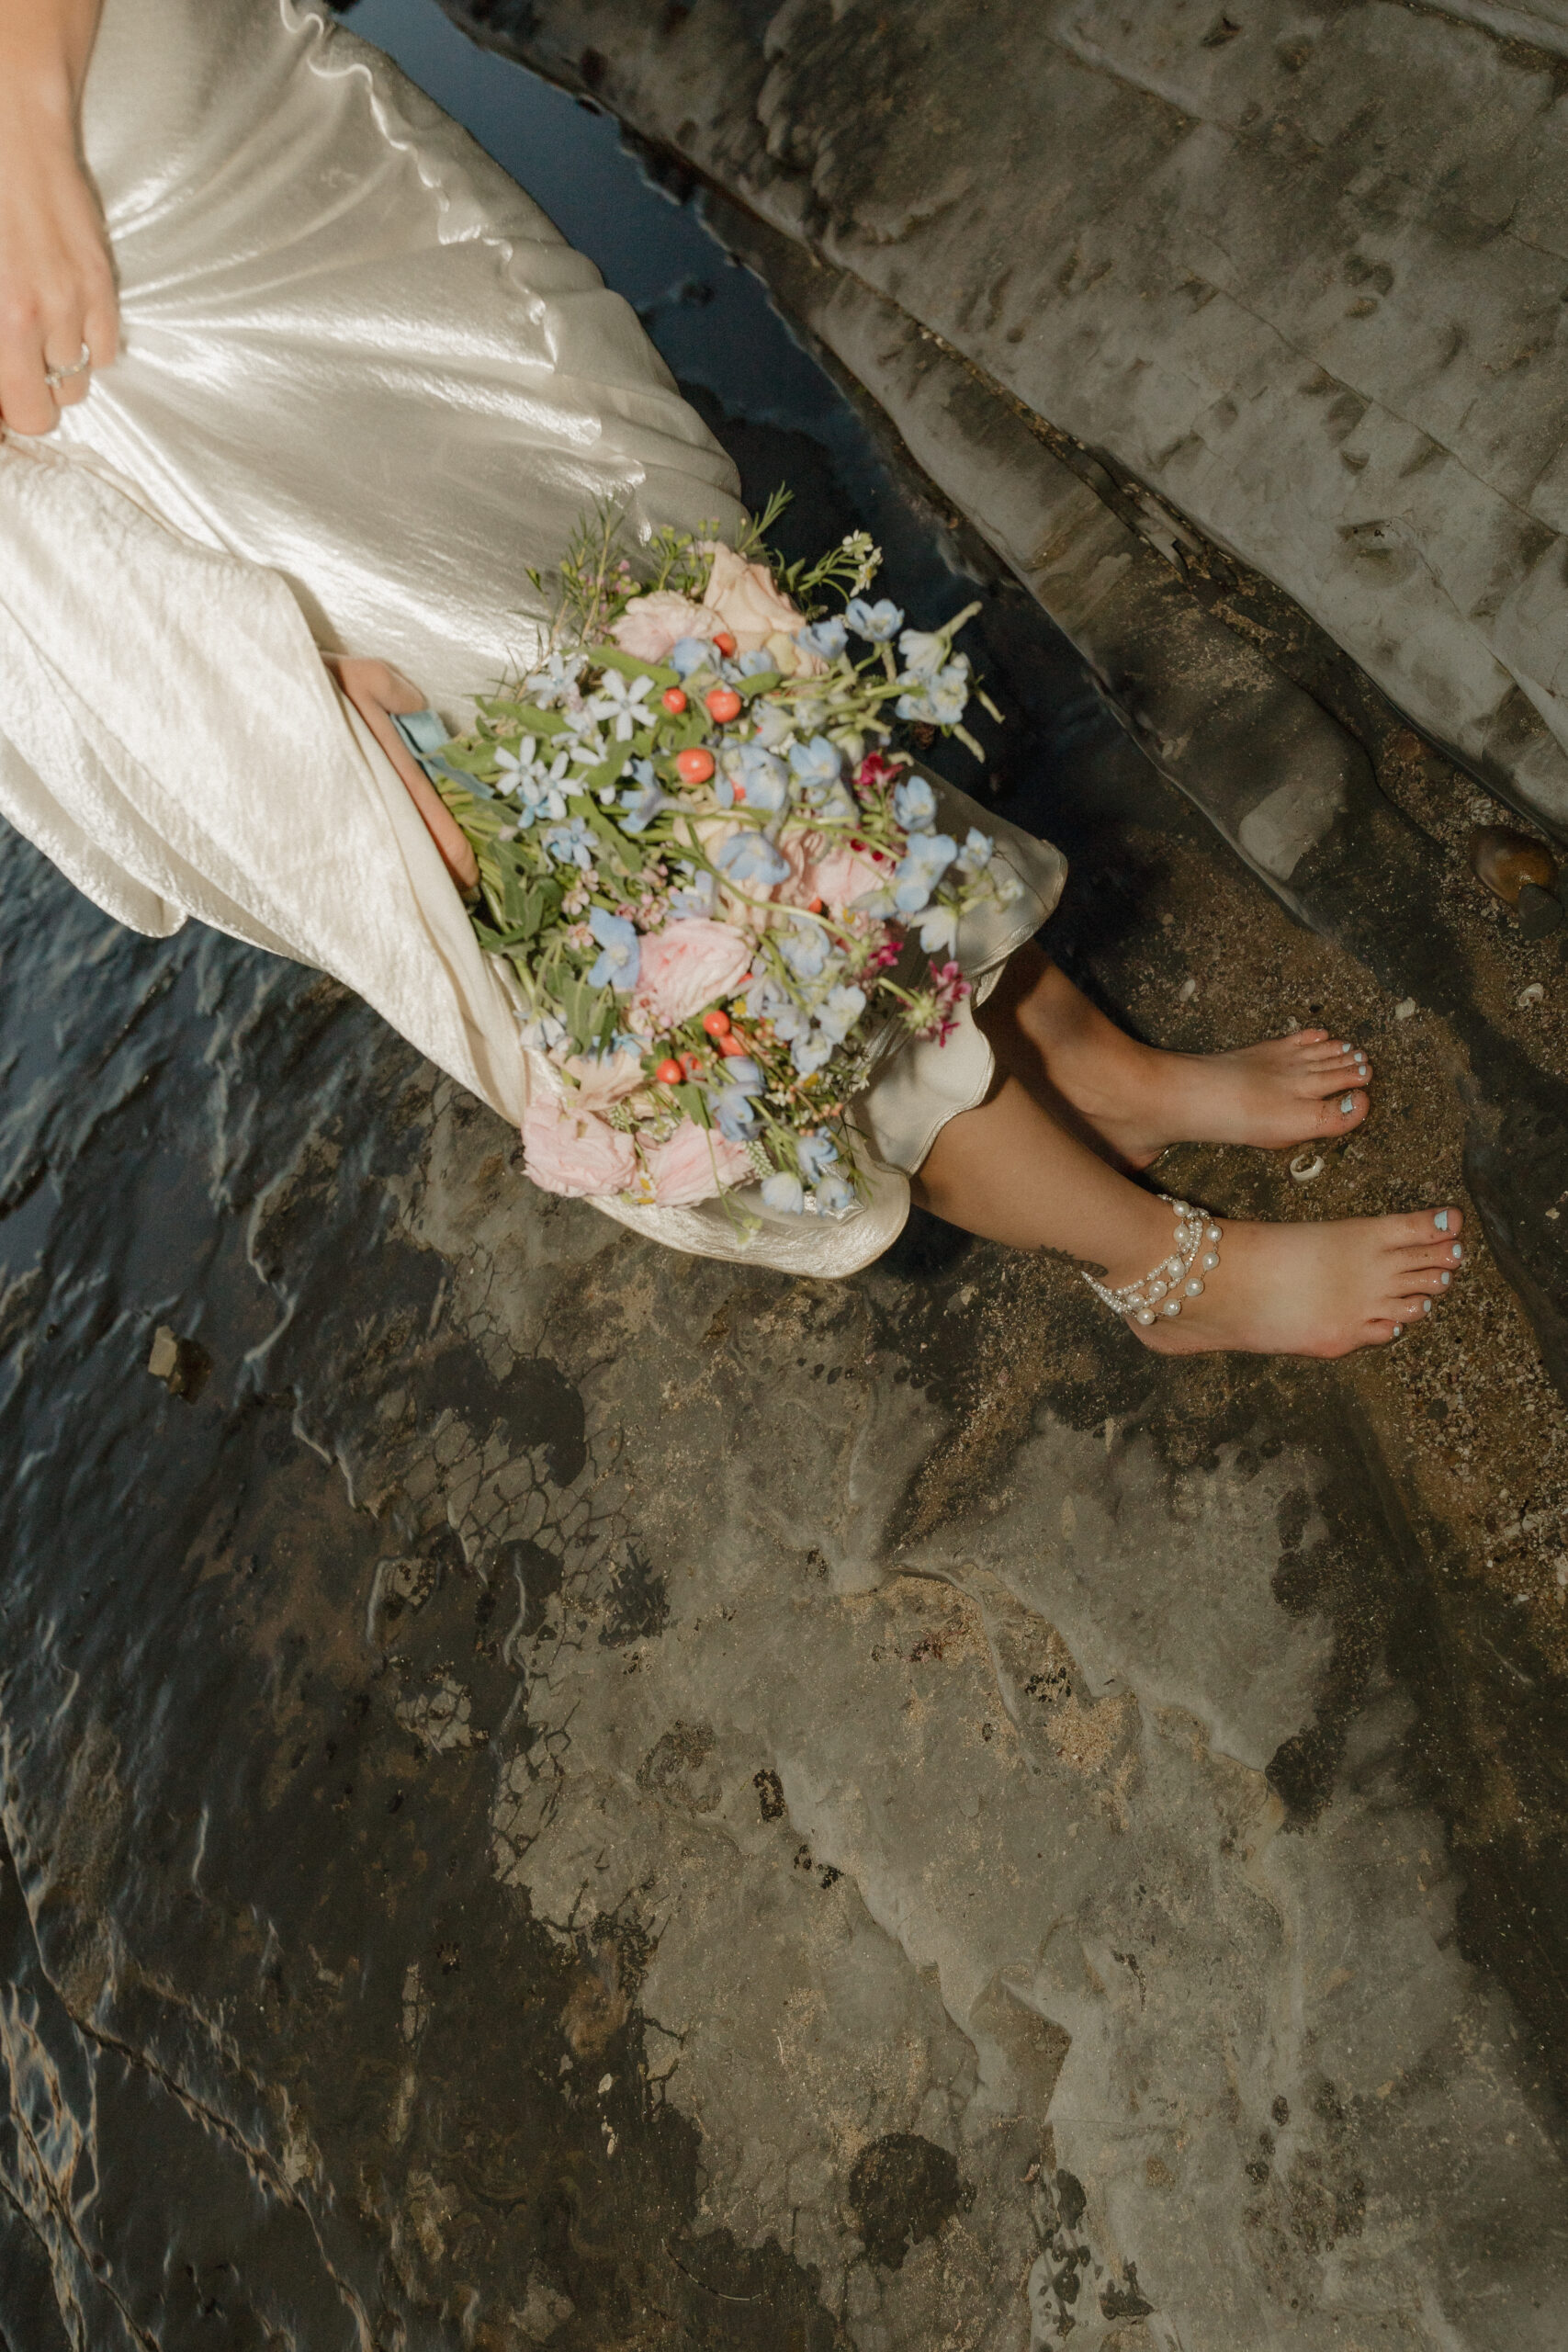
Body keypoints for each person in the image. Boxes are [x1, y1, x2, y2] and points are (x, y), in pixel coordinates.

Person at [0, 0, 1465, 1350]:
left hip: (265, 155)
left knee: (722, 670)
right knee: (682, 870)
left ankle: (1082, 1065)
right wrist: (270, 732)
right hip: (150, 429)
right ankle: (1155, 1264)